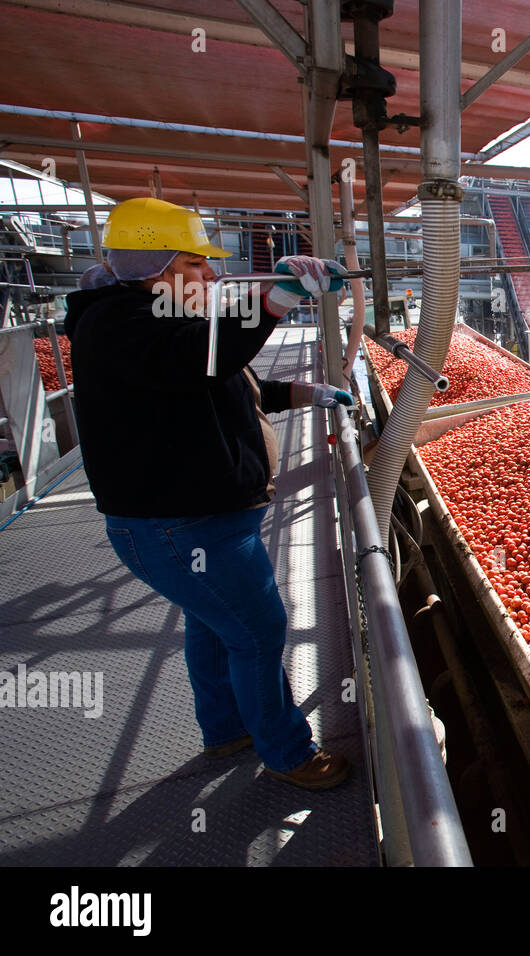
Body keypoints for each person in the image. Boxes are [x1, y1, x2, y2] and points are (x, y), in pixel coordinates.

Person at [65, 197, 354, 790]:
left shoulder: (155, 321)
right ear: (160, 267)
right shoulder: (116, 324)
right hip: (180, 525)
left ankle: (226, 729)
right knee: (258, 631)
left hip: (197, 520)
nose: (213, 275)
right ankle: (289, 753)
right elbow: (201, 360)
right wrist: (277, 299)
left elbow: (223, 381)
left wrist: (306, 393)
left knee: (214, 624)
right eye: (198, 265)